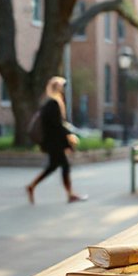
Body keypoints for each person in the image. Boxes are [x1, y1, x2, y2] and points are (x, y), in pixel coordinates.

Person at [26, 76, 87, 204]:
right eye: (62, 86)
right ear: (57, 87)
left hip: (52, 142)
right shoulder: (53, 103)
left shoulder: (50, 102)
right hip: (54, 142)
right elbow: (57, 126)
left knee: (53, 166)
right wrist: (69, 138)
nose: (63, 89)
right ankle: (70, 195)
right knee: (64, 166)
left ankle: (32, 186)